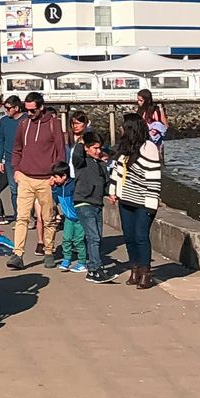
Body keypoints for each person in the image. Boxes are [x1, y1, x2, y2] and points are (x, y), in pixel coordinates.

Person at [8, 93, 66, 269]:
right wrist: (16, 169)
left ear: (41, 107)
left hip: (46, 179)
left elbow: (60, 151)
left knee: (48, 218)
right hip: (25, 176)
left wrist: (55, 176)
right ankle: (17, 253)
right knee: (22, 217)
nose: (29, 113)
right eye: (27, 110)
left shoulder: (53, 125)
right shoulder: (24, 124)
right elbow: (16, 148)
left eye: (32, 110)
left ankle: (48, 250)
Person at [115, 111, 162, 289]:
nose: (120, 128)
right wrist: (114, 191)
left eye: (123, 126)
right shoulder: (124, 147)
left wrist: (152, 201)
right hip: (126, 198)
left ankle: (146, 272)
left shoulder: (148, 147)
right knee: (129, 235)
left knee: (141, 235)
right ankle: (134, 268)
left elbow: (154, 176)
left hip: (144, 200)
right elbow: (118, 172)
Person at [71, 130, 110, 281]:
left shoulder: (101, 164)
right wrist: (81, 143)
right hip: (83, 201)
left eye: (99, 148)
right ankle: (96, 268)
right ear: (86, 148)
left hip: (97, 203)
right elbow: (76, 155)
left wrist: (111, 193)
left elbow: (106, 183)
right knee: (93, 237)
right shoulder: (81, 161)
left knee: (98, 237)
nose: (98, 151)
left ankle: (92, 268)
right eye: (94, 148)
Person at [0, 95, 22, 221]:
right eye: (5, 108)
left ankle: (28, 215)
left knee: (25, 191)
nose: (6, 110)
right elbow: (0, 142)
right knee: (14, 190)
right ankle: (18, 217)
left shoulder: (26, 120)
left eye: (9, 108)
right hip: (9, 160)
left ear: (17, 108)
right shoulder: (4, 121)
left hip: (24, 159)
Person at [52, 161, 87, 272]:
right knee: (66, 239)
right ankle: (66, 259)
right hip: (68, 218)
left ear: (64, 176)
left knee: (79, 241)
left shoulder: (74, 185)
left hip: (79, 218)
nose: (53, 179)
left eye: (56, 177)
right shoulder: (58, 187)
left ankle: (82, 262)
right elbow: (55, 199)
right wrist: (52, 188)